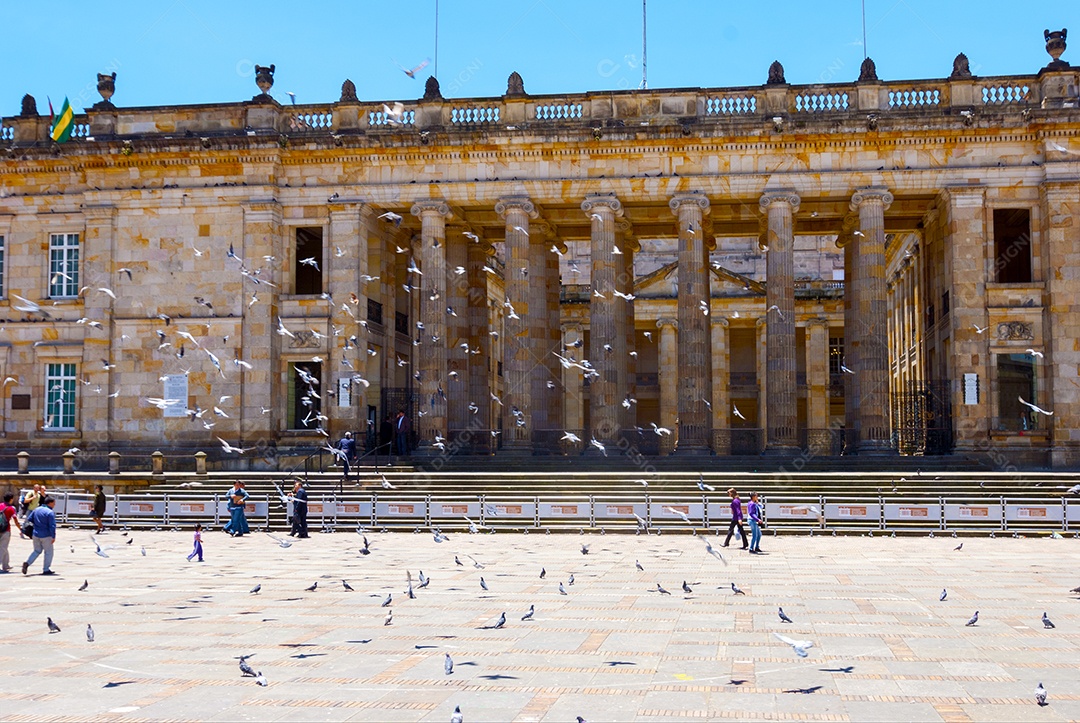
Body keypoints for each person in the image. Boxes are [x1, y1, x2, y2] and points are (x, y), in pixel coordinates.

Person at [22, 496, 57, 575]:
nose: (54, 505)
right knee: (48, 552)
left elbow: (30, 519)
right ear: (50, 503)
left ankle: (27, 563)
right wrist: (53, 536)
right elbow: (52, 525)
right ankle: (46, 569)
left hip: (36, 534)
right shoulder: (49, 512)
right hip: (46, 535)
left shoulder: (36, 509)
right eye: (54, 503)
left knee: (37, 551)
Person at [0, 492, 19, 573]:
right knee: (3, 548)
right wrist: (20, 528)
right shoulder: (11, 508)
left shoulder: (0, 505)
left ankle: (6, 564)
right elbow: (15, 518)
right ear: (11, 499)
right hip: (5, 530)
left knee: (4, 547)